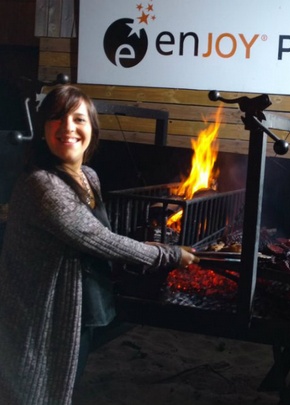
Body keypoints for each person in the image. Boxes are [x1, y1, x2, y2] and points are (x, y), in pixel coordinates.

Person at [0, 84, 199, 405]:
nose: (68, 128)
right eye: (57, 118)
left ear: (92, 129)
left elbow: (98, 230)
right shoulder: (42, 185)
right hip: (42, 311)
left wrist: (144, 243)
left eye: (79, 119)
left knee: (65, 380)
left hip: (82, 302)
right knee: (37, 390)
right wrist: (167, 254)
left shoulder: (88, 176)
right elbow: (98, 239)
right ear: (43, 130)